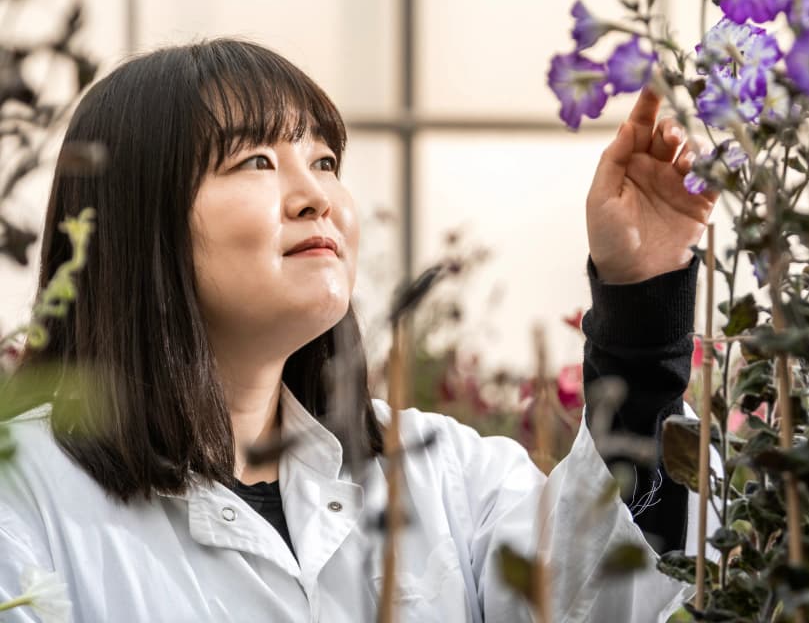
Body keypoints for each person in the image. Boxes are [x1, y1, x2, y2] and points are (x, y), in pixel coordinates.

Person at [0, 39, 717, 622]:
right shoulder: (26, 495)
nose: (317, 196)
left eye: (324, 161)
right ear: (136, 220)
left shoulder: (436, 473)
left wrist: (640, 303)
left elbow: (604, 596)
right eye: (255, 161)